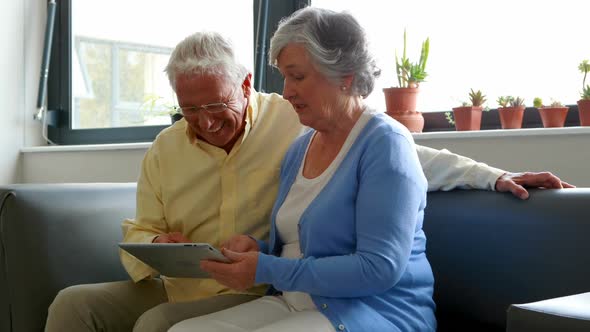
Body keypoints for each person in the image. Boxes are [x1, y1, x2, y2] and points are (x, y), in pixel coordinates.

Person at [44, 27, 573, 332]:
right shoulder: (295, 141)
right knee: (77, 303)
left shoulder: (307, 124)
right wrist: (166, 244)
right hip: (206, 282)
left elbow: (409, 162)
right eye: (188, 110)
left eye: (215, 105)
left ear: (245, 86)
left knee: (161, 328)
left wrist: (497, 175)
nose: (203, 120)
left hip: (279, 289)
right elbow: (141, 232)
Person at [171, 6, 434, 331]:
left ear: (344, 76)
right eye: (284, 76)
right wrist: (258, 250)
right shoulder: (300, 148)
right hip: (296, 300)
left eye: (297, 76)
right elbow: (301, 247)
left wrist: (265, 268)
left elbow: (379, 268)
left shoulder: (386, 143)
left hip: (374, 311)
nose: (287, 91)